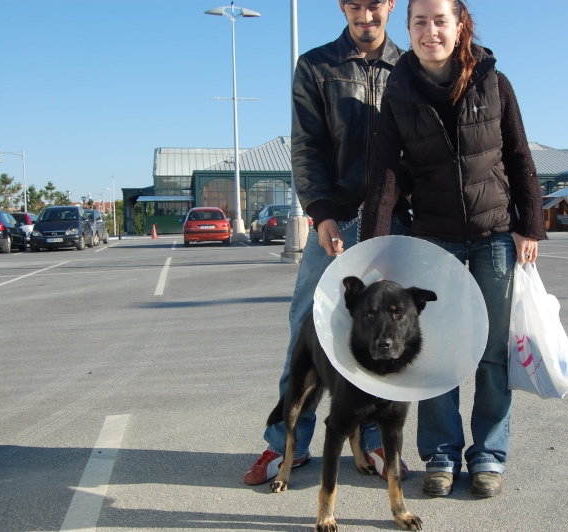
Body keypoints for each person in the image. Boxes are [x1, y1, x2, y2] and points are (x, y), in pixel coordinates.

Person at [359, 0, 547, 499]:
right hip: (435, 239)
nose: (429, 31)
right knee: (437, 350)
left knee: (491, 353)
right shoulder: (398, 92)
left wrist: (530, 225)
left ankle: (488, 455)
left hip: (494, 236)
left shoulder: (494, 83)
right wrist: (372, 249)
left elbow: (519, 155)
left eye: (440, 20)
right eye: (419, 21)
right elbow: (386, 175)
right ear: (410, 29)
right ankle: (440, 456)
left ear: (459, 25)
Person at [243, 0, 413, 485]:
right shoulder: (317, 67)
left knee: (388, 334)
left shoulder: (410, 68)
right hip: (334, 221)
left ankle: (378, 444)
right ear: (343, 7)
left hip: (394, 223)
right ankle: (286, 443)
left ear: (390, 5)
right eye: (355, 5)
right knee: (307, 328)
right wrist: (320, 213)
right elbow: (307, 147)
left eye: (374, 4)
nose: (366, 16)